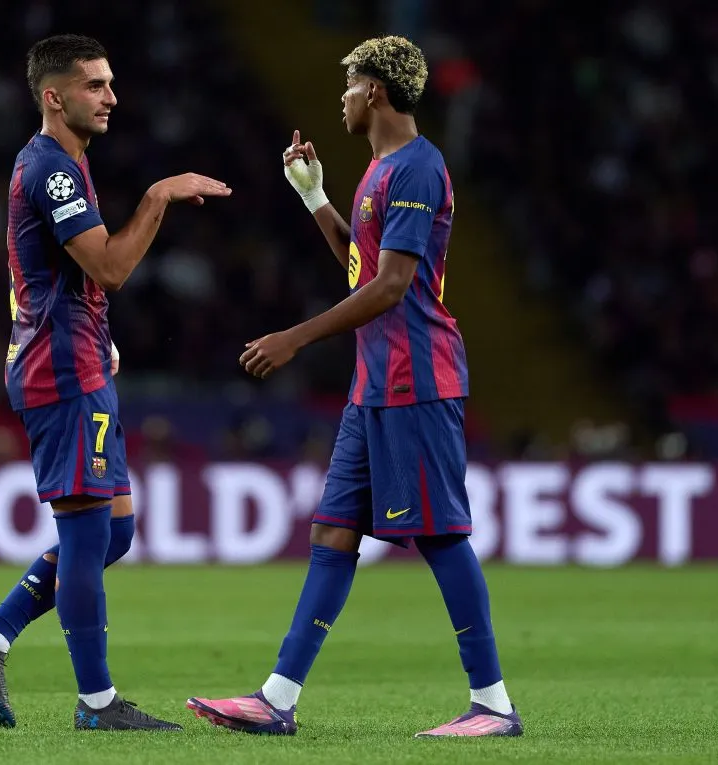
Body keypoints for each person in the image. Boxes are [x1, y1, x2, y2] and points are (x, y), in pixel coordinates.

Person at [186, 36, 522, 738]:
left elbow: (394, 287)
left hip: (417, 378)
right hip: (375, 384)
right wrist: (315, 199)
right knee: (335, 532)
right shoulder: (379, 170)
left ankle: (492, 703)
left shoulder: (419, 169)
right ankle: (277, 696)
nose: (339, 98)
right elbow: (364, 269)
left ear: (373, 90)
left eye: (347, 86)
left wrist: (294, 337)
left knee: (440, 533)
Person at [0, 33, 230, 732]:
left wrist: (100, 333)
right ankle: (98, 704)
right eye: (95, 86)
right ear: (54, 95)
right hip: (61, 371)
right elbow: (107, 268)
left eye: (109, 83)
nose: (111, 97)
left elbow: (62, 280)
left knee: (117, 529)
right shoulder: (53, 170)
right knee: (83, 532)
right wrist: (160, 195)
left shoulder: (67, 161)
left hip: (79, 360)